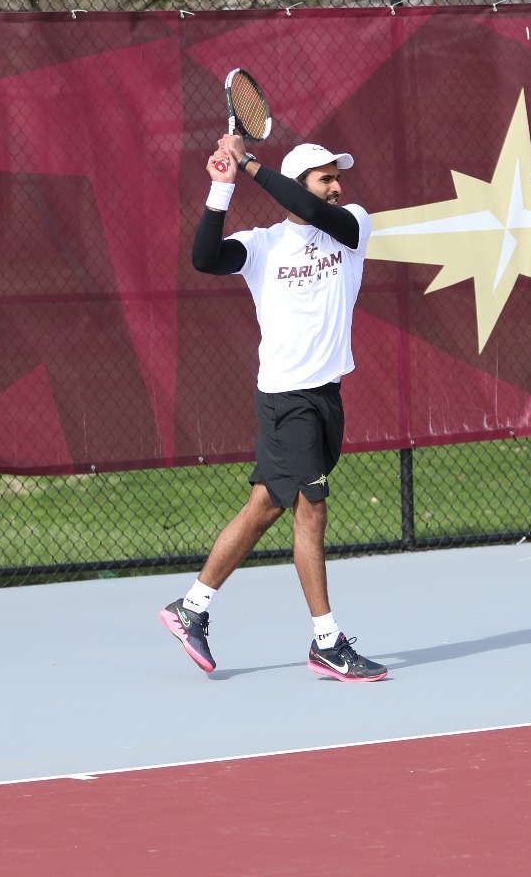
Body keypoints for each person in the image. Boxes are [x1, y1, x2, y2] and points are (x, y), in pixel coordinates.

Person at [159, 134, 388, 682]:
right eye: (325, 178)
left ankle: (190, 608)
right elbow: (204, 258)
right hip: (287, 399)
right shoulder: (263, 245)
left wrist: (251, 162)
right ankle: (327, 641)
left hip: (326, 395)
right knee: (312, 506)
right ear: (300, 181)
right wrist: (221, 186)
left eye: (338, 176)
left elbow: (308, 209)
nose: (337, 186)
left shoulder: (351, 224)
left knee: (265, 505)